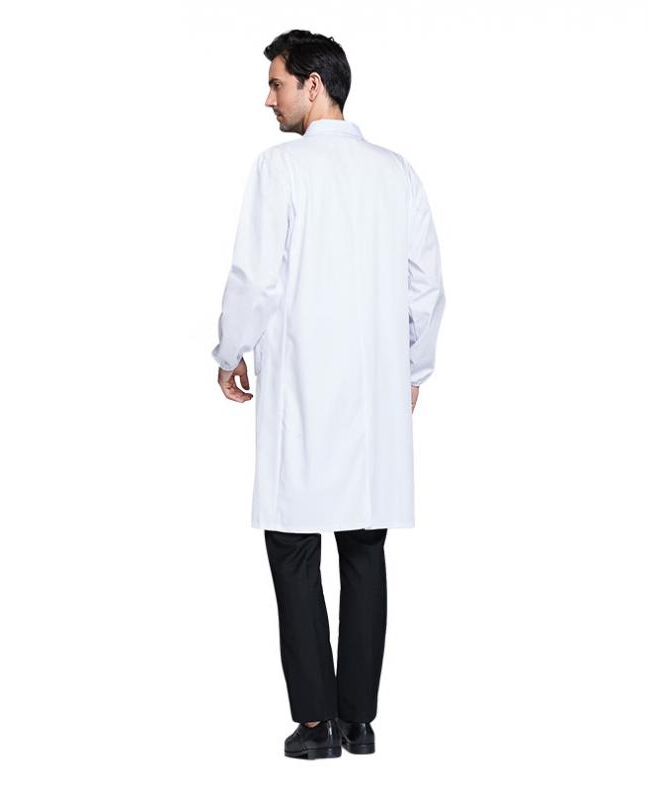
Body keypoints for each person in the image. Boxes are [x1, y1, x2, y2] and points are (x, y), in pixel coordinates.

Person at [211, 29, 446, 759]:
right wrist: (412, 371)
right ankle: (358, 721)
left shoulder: (280, 169)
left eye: (277, 83)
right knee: (365, 549)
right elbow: (426, 287)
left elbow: (254, 277)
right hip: (375, 399)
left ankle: (315, 726)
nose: (269, 99)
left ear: (314, 85)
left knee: (293, 547)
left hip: (303, 392)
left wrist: (228, 350)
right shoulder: (395, 173)